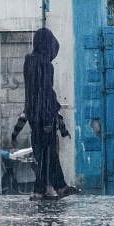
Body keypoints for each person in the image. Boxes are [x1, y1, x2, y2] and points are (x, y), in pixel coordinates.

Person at [23, 28, 72, 200]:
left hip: (33, 115)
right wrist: (51, 116)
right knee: (48, 154)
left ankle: (56, 187)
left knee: (43, 153)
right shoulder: (46, 65)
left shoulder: (28, 62)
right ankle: (43, 189)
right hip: (45, 115)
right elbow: (46, 91)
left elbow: (32, 91)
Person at [10, 111, 77, 197]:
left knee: (47, 162)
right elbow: (58, 115)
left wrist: (14, 135)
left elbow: (23, 117)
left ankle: (47, 188)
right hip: (45, 135)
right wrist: (63, 131)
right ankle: (48, 188)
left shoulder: (34, 102)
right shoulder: (45, 101)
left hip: (40, 135)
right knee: (48, 162)